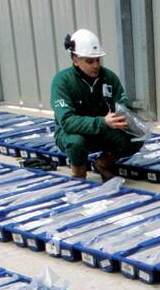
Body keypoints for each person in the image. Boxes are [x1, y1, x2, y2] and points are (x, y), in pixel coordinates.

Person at [50, 29, 143, 180]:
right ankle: (79, 173)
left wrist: (128, 118)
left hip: (102, 129)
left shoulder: (108, 78)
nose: (95, 65)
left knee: (135, 137)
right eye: (89, 61)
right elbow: (67, 121)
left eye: (98, 60)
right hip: (75, 133)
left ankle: (103, 163)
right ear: (75, 60)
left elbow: (122, 104)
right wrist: (102, 122)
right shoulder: (62, 82)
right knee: (76, 143)